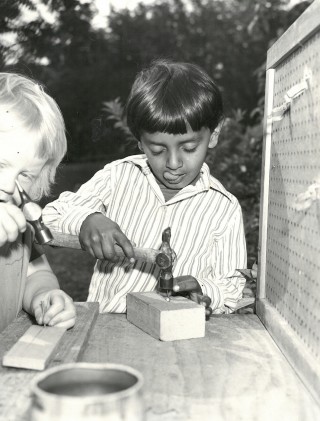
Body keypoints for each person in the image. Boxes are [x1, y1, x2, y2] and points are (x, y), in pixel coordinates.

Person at [42, 59, 247, 316]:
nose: (173, 163)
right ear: (140, 141)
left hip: (179, 336)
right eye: (158, 149)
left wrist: (201, 289)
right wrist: (86, 220)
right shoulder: (118, 177)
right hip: (109, 326)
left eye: (189, 148)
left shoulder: (223, 209)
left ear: (214, 134)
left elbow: (231, 288)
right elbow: (49, 218)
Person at [0, 73, 76, 333]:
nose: (9, 185)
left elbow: (35, 273)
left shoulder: (20, 226)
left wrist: (45, 297)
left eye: (25, 175)